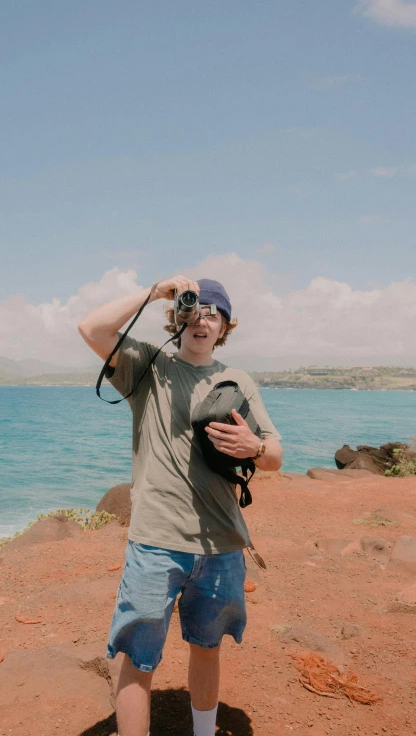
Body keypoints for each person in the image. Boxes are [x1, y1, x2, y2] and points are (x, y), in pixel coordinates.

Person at [78, 275, 282, 736]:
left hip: (221, 543)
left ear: (225, 326)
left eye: (214, 313)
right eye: (193, 309)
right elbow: (92, 329)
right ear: (177, 317)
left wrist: (253, 445)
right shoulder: (149, 366)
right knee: (139, 655)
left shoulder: (239, 380)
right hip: (156, 541)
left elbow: (274, 456)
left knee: (208, 647)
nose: (202, 319)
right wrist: (154, 292)